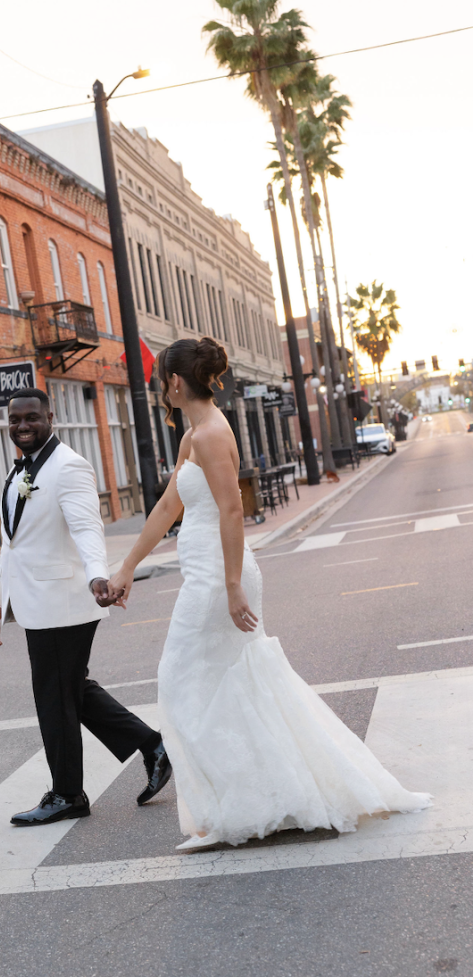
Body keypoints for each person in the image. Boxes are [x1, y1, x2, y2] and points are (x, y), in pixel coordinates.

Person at [109, 338, 431, 850]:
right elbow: (170, 504)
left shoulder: (213, 433)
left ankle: (236, 804)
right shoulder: (194, 436)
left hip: (219, 578)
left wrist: (234, 587)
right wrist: (126, 565)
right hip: (205, 573)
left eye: (159, 382)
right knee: (233, 685)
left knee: (179, 681)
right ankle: (256, 798)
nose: (157, 390)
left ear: (174, 381)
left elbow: (232, 511)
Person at [0, 388, 172, 826]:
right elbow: (12, 543)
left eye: (32, 418)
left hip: (66, 601)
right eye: (15, 421)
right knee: (71, 691)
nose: (23, 426)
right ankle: (153, 746)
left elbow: (88, 528)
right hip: (36, 603)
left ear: (50, 417)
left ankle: (68, 794)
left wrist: (97, 576)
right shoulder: (18, 473)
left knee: (54, 698)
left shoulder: (69, 467)